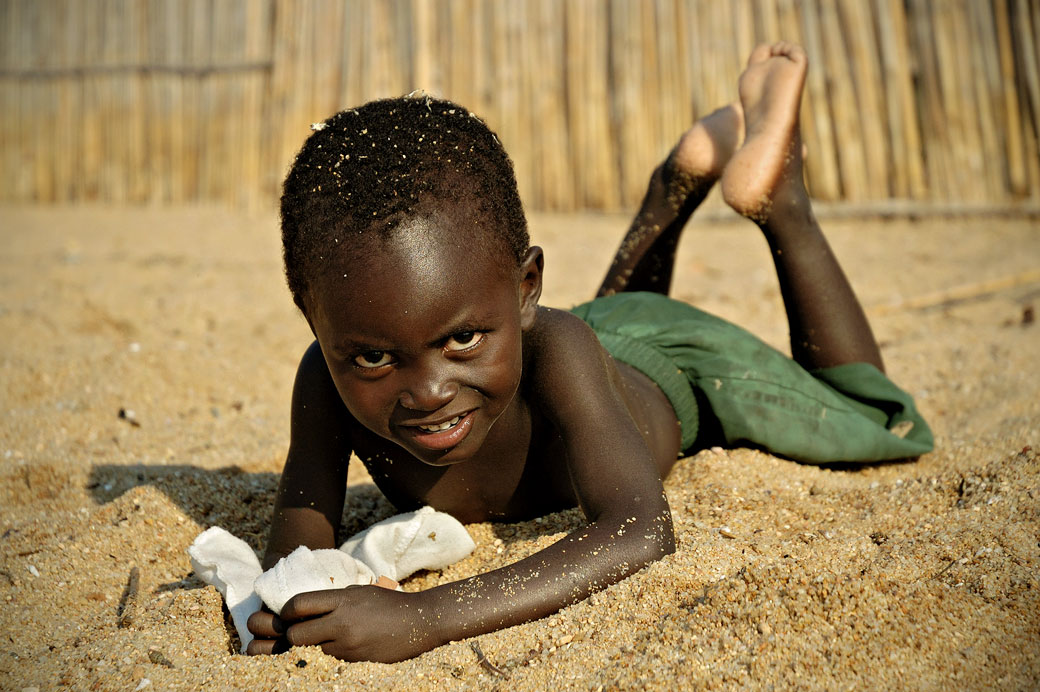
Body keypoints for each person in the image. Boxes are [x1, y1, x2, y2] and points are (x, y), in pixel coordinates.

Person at [246, 42, 932, 662]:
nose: (427, 391)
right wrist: (288, 606)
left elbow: (639, 529)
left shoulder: (558, 348)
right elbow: (298, 552)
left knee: (873, 413)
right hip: (599, 336)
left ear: (527, 291)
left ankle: (781, 199)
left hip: (678, 367)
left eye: (460, 341)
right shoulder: (324, 384)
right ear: (315, 325)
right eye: (372, 358)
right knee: (582, 341)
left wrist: (425, 615)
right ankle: (676, 183)